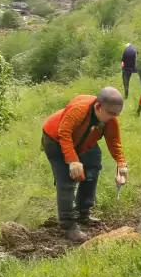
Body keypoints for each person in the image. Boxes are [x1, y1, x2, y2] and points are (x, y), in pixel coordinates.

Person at [42, 87, 129, 242]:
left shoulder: (109, 118)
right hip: (55, 139)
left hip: (83, 142)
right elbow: (64, 132)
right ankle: (67, 225)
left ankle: (83, 211)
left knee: (92, 167)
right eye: (111, 114)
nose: (114, 118)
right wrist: (72, 161)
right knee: (68, 179)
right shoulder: (79, 110)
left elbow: (114, 141)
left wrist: (121, 163)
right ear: (98, 107)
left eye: (117, 114)